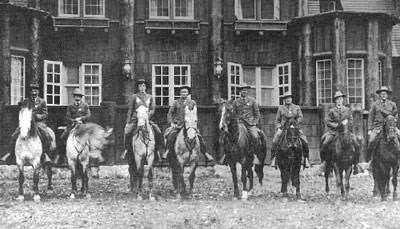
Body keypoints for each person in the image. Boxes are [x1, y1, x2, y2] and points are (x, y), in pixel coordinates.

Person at [1, 82, 53, 165]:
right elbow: (22, 111)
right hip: (26, 122)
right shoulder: (26, 101)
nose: (34, 93)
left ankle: (45, 154)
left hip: (38, 122)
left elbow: (45, 114)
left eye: (35, 91)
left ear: (38, 92)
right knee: (14, 135)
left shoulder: (42, 101)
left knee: (46, 134)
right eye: (32, 91)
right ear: (30, 92)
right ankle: (10, 153)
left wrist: (36, 116)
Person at [162, 85, 214, 162]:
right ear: (180, 93)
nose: (183, 93)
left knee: (199, 136)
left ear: (188, 93)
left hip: (190, 124)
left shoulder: (192, 102)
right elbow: (170, 113)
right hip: (179, 124)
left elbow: (194, 113)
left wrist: (194, 123)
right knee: (171, 135)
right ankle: (167, 151)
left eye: (185, 92)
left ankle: (205, 153)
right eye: (182, 92)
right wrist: (171, 123)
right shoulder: (176, 102)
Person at [319, 91, 362, 174]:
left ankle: (356, 164)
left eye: (341, 99)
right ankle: (324, 163)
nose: (339, 101)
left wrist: (347, 124)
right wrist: (338, 125)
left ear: (343, 100)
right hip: (334, 132)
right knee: (325, 142)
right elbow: (328, 122)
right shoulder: (331, 111)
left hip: (346, 132)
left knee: (356, 143)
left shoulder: (347, 110)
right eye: (338, 99)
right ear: (335, 101)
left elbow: (351, 121)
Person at [121, 79, 163, 160]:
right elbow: (130, 109)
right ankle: (126, 149)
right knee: (127, 132)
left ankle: (157, 150)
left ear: (146, 87)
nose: (142, 88)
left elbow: (152, 109)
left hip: (147, 119)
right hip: (136, 119)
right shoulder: (134, 97)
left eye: (143, 86)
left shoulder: (150, 97)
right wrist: (128, 122)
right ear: (138, 87)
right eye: (140, 86)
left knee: (158, 131)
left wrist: (148, 115)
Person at [270, 92, 310, 168]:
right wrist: (278, 127)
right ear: (284, 99)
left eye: (289, 98)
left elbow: (300, 118)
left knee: (305, 140)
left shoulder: (297, 107)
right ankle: (273, 159)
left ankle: (306, 159)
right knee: (275, 140)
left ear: (291, 99)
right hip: (283, 127)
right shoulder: (281, 108)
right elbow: (277, 120)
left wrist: (295, 123)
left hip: (295, 127)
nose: (288, 99)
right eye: (286, 98)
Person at [231, 83, 265, 164]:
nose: (244, 91)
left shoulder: (252, 101)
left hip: (250, 123)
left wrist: (254, 122)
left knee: (255, 137)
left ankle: (255, 155)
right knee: (230, 136)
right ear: (240, 91)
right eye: (242, 90)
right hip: (239, 123)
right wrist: (236, 120)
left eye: (245, 90)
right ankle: (228, 155)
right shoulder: (235, 102)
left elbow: (257, 114)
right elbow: (233, 113)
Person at [367, 86, 400, 167]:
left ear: (387, 95)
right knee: (371, 141)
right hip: (377, 127)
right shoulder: (375, 105)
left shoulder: (392, 104)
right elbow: (371, 117)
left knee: (398, 139)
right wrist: (369, 129)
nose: (383, 95)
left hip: (390, 127)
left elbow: (396, 116)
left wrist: (393, 121)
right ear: (379, 95)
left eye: (385, 94)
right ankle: (370, 161)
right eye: (382, 94)